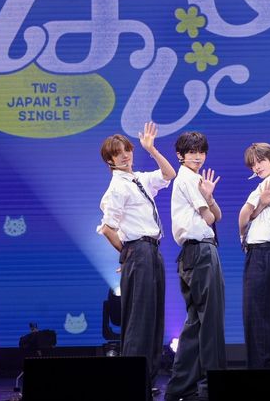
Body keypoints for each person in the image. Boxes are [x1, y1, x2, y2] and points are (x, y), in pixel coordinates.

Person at [97, 122, 176, 394]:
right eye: (117, 153)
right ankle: (130, 382)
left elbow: (169, 174)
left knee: (154, 320)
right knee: (139, 321)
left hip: (153, 251)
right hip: (139, 250)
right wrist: (128, 254)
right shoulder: (117, 188)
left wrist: (151, 150)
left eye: (127, 150)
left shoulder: (139, 179)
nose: (125, 155)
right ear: (110, 160)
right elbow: (108, 228)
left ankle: (146, 381)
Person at [165, 132, 226, 401]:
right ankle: (213, 384)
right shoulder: (188, 178)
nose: (198, 157)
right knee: (210, 320)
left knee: (196, 323)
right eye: (191, 152)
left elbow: (217, 215)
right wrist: (207, 200)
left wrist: (209, 196)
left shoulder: (196, 179)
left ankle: (180, 387)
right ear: (180, 155)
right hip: (200, 252)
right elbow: (210, 218)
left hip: (194, 253)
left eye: (201, 151)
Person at [238, 143, 270, 369]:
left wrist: (243, 233)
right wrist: (258, 208)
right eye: (253, 164)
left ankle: (263, 367)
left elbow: (243, 215)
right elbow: (249, 214)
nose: (256, 167)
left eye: (260, 162)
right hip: (267, 253)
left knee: (257, 313)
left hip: (264, 253)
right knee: (266, 313)